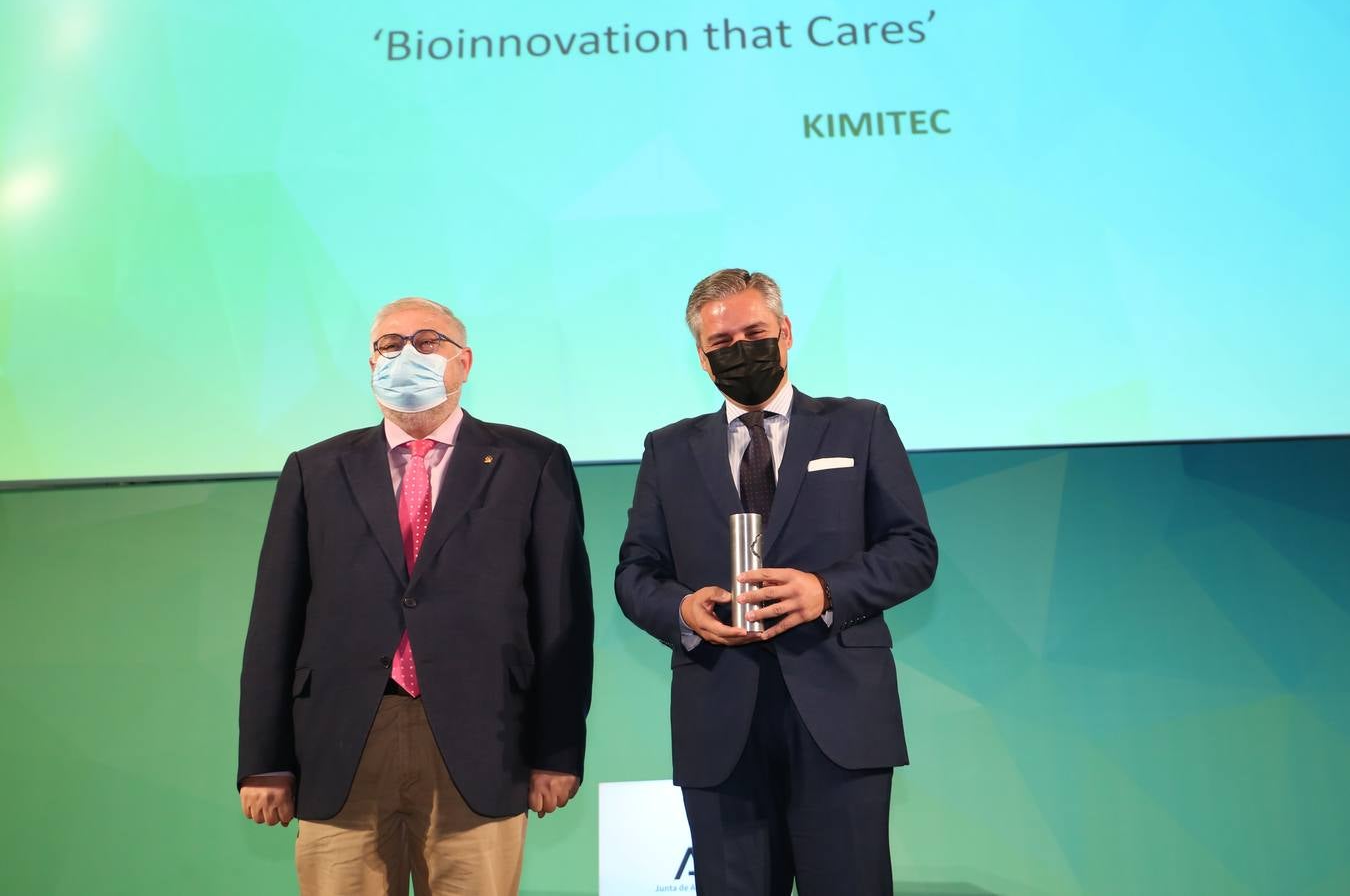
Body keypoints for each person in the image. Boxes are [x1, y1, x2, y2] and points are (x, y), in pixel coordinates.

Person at [238, 297, 593, 895]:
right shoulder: (314, 469)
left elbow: (562, 620)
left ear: (465, 362)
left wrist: (556, 753)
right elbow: (275, 620)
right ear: (370, 363)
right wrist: (265, 759)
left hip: (485, 742)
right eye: (388, 344)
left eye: (427, 342)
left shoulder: (532, 463)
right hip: (342, 741)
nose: (406, 355)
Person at [615, 269, 938, 895]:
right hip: (719, 718)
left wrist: (827, 592)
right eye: (722, 344)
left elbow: (913, 550)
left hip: (841, 716)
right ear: (703, 360)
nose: (740, 351)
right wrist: (682, 611)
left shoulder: (860, 425)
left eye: (754, 333)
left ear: (785, 334)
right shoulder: (668, 450)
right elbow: (635, 573)